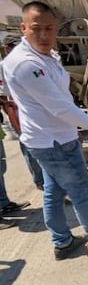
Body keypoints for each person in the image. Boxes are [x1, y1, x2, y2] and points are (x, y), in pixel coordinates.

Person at [1, 2, 88, 259]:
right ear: (23, 28)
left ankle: (62, 241)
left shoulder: (47, 56)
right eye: (36, 29)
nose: (44, 35)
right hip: (52, 141)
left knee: (54, 190)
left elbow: (62, 101)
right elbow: (60, 108)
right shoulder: (25, 64)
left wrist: (74, 127)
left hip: (53, 137)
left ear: (56, 29)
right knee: (82, 191)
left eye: (49, 28)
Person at [0, 35, 44, 190]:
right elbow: (4, 98)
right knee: (28, 147)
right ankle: (39, 180)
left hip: (36, 112)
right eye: (14, 46)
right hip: (19, 114)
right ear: (6, 48)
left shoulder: (27, 62)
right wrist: (14, 121)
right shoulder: (4, 67)